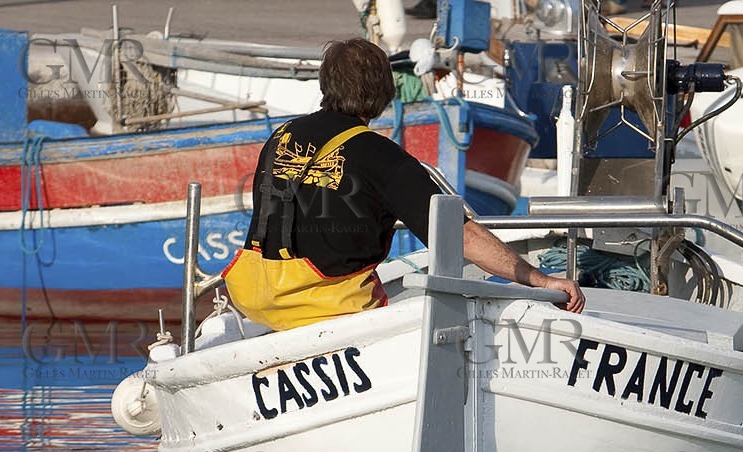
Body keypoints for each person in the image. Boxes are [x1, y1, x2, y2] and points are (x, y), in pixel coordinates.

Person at [223, 37, 584, 332]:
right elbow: (462, 237)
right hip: (326, 310)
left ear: (326, 85)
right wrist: (537, 279)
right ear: (383, 93)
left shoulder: (281, 137)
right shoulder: (382, 157)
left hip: (260, 301)